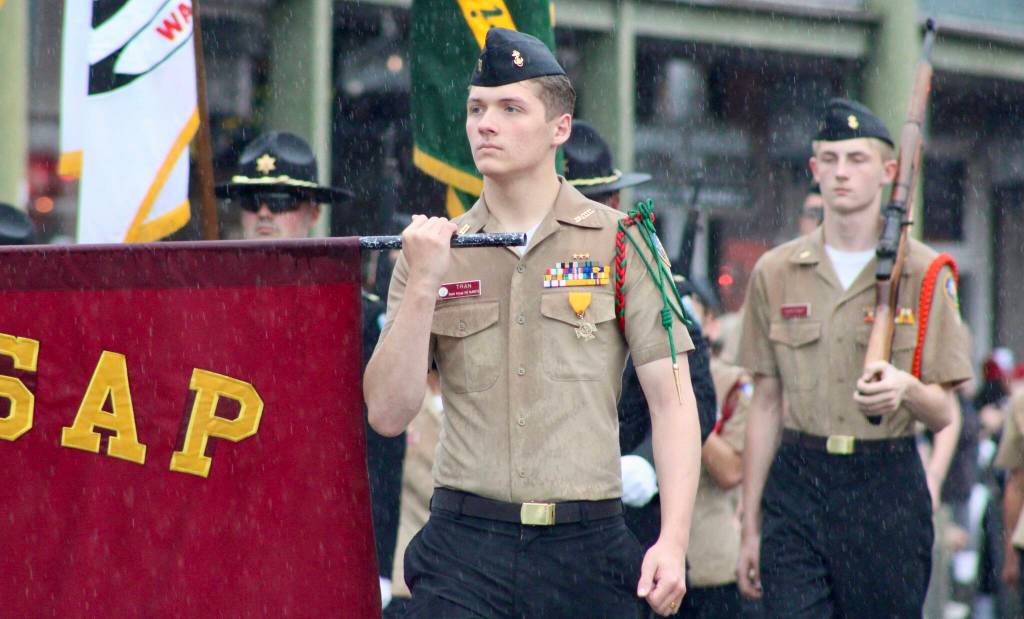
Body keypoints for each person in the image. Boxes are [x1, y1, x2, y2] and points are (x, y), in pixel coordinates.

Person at [364, 28, 701, 618]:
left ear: (559, 129)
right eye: (476, 108)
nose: (484, 124)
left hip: (585, 548)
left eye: (510, 108)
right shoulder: (432, 251)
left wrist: (672, 540)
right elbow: (388, 414)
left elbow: (673, 405)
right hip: (464, 547)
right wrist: (422, 282)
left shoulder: (625, 242)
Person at [735, 98, 973, 617]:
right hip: (798, 479)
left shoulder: (925, 273)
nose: (842, 173)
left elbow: (943, 412)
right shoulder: (775, 272)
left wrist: (905, 390)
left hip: (885, 483)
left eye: (857, 159)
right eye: (830, 159)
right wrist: (749, 525)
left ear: (890, 171)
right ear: (813, 168)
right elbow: (766, 404)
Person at [217, 132, 405, 607]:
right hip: (228, 523)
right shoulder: (210, 307)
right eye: (251, 199)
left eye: (279, 200)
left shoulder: (355, 315)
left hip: (319, 524)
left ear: (313, 211)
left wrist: (376, 561)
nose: (263, 213)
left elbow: (381, 449)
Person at [563, 119, 717, 554]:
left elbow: (696, 397)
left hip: (636, 520)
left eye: (594, 202)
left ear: (614, 201)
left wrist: (646, 463)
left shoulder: (652, 278)